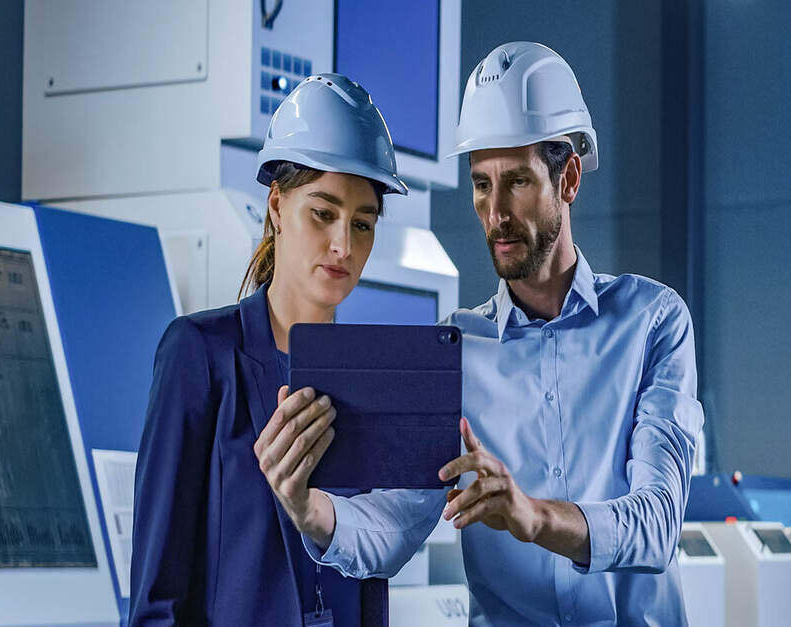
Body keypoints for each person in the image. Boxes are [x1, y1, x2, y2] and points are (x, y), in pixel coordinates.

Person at [298, 42, 705, 625]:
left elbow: (656, 526)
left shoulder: (652, 322)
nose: (496, 212)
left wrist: (530, 516)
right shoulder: (451, 350)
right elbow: (393, 528)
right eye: (482, 184)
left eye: (516, 181)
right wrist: (308, 508)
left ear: (568, 179)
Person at [128, 73, 409, 626]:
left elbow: (373, 574)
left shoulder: (371, 380)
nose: (342, 246)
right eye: (323, 213)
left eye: (362, 224)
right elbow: (155, 600)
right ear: (277, 207)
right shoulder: (201, 356)